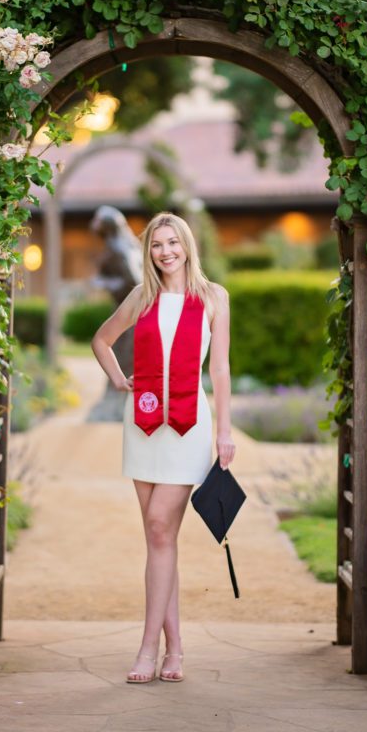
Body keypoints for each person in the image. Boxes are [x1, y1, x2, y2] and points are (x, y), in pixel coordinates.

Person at [91, 211, 235, 683]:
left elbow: (219, 371)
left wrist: (225, 434)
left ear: (187, 245)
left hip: (189, 425)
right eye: (156, 245)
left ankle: (147, 648)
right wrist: (118, 380)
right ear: (147, 252)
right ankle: (175, 651)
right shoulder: (142, 297)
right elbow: (103, 340)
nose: (165, 251)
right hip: (144, 421)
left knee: (158, 528)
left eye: (173, 242)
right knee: (160, 540)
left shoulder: (213, 298)